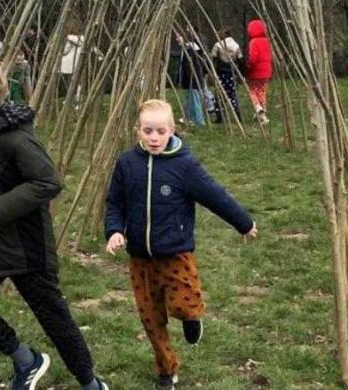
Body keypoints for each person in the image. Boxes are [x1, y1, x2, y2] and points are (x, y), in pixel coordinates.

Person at [0, 59, 109, 390]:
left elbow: (47, 182)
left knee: (55, 320)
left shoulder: (16, 140)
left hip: (26, 248)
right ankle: (27, 361)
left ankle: (92, 384)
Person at [104, 99, 257, 389]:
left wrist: (244, 223)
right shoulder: (127, 164)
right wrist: (114, 230)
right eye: (147, 130)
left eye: (160, 131)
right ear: (138, 130)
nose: (153, 137)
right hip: (140, 258)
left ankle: (191, 318)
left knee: (184, 303)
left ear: (172, 130)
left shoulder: (184, 166)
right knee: (151, 318)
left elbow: (215, 195)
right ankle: (166, 369)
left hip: (176, 252)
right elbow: (115, 203)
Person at [210, 27, 243, 123]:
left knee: (220, 94)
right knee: (232, 93)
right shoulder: (235, 45)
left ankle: (220, 115)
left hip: (221, 71)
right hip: (232, 71)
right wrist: (240, 72)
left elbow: (214, 58)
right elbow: (240, 58)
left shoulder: (218, 45)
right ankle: (236, 112)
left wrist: (213, 71)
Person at [172, 31, 205, 126]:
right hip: (189, 79)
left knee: (195, 99)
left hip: (193, 79)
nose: (177, 39)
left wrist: (191, 77)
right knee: (190, 99)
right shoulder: (186, 49)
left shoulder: (191, 49)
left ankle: (199, 120)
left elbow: (191, 66)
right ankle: (191, 117)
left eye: (178, 37)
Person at [245, 19, 273, 125]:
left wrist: (248, 66)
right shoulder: (267, 41)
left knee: (252, 90)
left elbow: (253, 58)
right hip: (266, 71)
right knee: (262, 91)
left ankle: (258, 108)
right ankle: (262, 111)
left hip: (255, 71)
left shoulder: (253, 42)